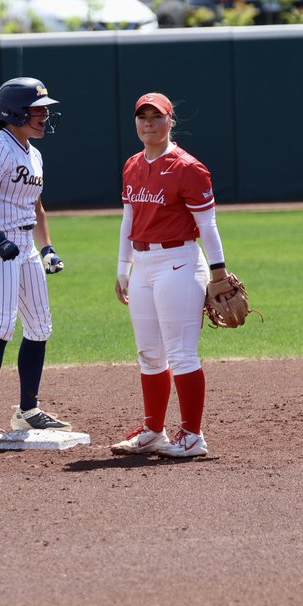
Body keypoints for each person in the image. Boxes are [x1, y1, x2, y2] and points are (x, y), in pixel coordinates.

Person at [110, 92, 233, 458]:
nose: (149, 123)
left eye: (157, 117)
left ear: (170, 121)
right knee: (149, 354)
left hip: (179, 261)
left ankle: (193, 436)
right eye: (143, 117)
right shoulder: (133, 164)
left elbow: (207, 225)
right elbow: (128, 219)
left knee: (181, 354)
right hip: (144, 264)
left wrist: (218, 273)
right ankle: (153, 430)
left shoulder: (188, 168)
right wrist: (123, 267)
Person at [0, 77, 70, 448]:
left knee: (40, 326)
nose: (44, 115)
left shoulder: (32, 152)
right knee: (2, 323)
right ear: (15, 112)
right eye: (37, 109)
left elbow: (36, 206)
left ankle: (28, 409)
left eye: (45, 109)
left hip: (23, 243)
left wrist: (47, 249)